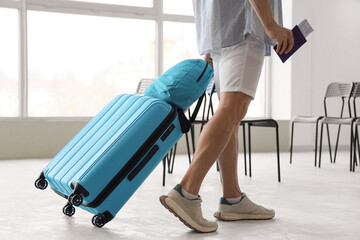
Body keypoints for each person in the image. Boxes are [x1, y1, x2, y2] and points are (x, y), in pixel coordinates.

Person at [160, 0, 294, 233]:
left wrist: (207, 40)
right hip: (246, 27)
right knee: (232, 109)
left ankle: (232, 199)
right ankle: (187, 192)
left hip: (218, 31)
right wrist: (271, 25)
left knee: (230, 113)